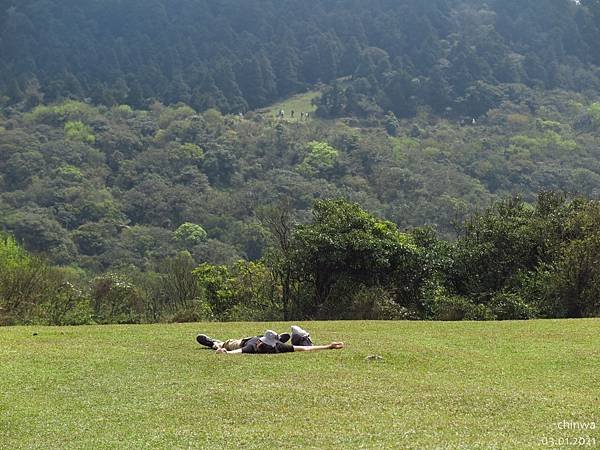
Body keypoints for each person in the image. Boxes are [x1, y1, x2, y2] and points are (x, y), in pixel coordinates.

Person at [196, 326, 344, 355]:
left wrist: (329, 346)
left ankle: (278, 335)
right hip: (240, 342)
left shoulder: (277, 347)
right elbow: (237, 351)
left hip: (255, 338)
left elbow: (304, 348)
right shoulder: (253, 346)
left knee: (225, 347)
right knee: (223, 344)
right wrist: (223, 352)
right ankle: (212, 342)